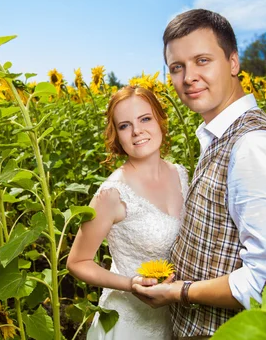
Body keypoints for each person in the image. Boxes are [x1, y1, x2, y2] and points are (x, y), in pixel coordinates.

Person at [131, 9, 266, 339]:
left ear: (232, 63)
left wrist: (180, 293)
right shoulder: (219, 136)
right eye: (177, 67)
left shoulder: (254, 147)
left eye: (202, 60)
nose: (188, 77)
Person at [67, 86, 189, 339]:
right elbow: (77, 262)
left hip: (178, 320)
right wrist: (130, 284)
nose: (137, 131)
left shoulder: (181, 174)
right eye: (124, 125)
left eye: (145, 119)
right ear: (117, 136)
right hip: (128, 324)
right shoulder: (112, 193)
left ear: (160, 120)